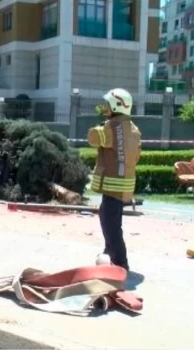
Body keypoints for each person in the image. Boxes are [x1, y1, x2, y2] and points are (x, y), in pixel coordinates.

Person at [87, 88, 141, 271]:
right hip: (124, 185)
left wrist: (99, 127)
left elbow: (94, 138)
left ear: (117, 105)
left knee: (111, 227)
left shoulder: (112, 127)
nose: (104, 108)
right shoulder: (133, 128)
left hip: (113, 185)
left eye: (107, 104)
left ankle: (120, 264)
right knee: (111, 221)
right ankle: (109, 253)